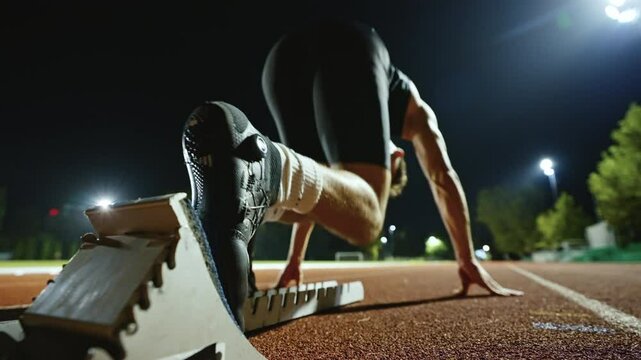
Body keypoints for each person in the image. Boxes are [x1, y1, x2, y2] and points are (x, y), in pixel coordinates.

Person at [182, 21, 522, 330]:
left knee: (286, 184)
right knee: (367, 220)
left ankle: (218, 232)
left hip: (284, 57)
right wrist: (466, 258)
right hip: (353, 46)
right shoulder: (415, 111)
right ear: (395, 156)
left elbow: (313, 195)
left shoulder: (346, 127)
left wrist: (294, 262)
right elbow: (442, 178)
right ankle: (248, 177)